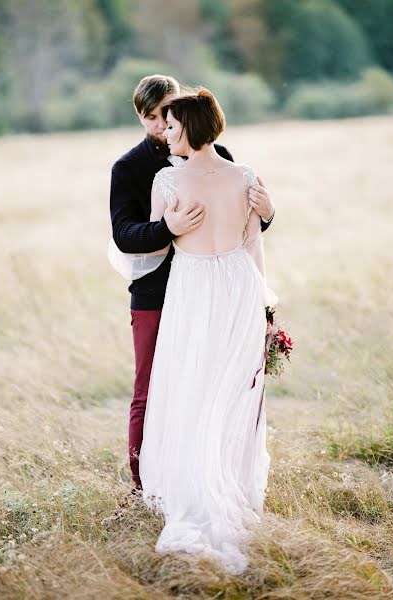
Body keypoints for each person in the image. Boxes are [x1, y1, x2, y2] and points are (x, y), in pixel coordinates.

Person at [109, 74, 275, 492]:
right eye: (153, 119)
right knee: (152, 391)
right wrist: (166, 227)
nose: (163, 126)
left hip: (218, 292)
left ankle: (223, 475)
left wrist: (269, 212)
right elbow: (124, 234)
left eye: (170, 115)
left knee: (225, 382)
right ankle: (143, 486)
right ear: (142, 118)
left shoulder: (219, 156)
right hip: (156, 295)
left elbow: (240, 227)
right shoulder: (129, 168)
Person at [137, 88, 279, 574]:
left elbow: (155, 251)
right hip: (239, 284)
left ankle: (199, 493)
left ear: (191, 129)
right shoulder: (246, 176)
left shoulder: (167, 180)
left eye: (172, 126)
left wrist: (170, 224)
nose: (166, 133)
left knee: (193, 389)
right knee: (231, 390)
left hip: (195, 287)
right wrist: (263, 304)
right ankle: (229, 486)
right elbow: (252, 244)